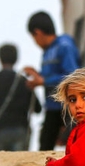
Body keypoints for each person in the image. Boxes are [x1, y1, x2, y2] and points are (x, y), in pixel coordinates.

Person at [23, 11, 80, 150]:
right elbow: (48, 76)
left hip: (68, 107)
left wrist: (43, 81)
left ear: (38, 33)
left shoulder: (64, 45)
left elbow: (73, 76)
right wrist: (36, 76)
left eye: (33, 37)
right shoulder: (47, 52)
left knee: (75, 147)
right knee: (45, 146)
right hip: (52, 107)